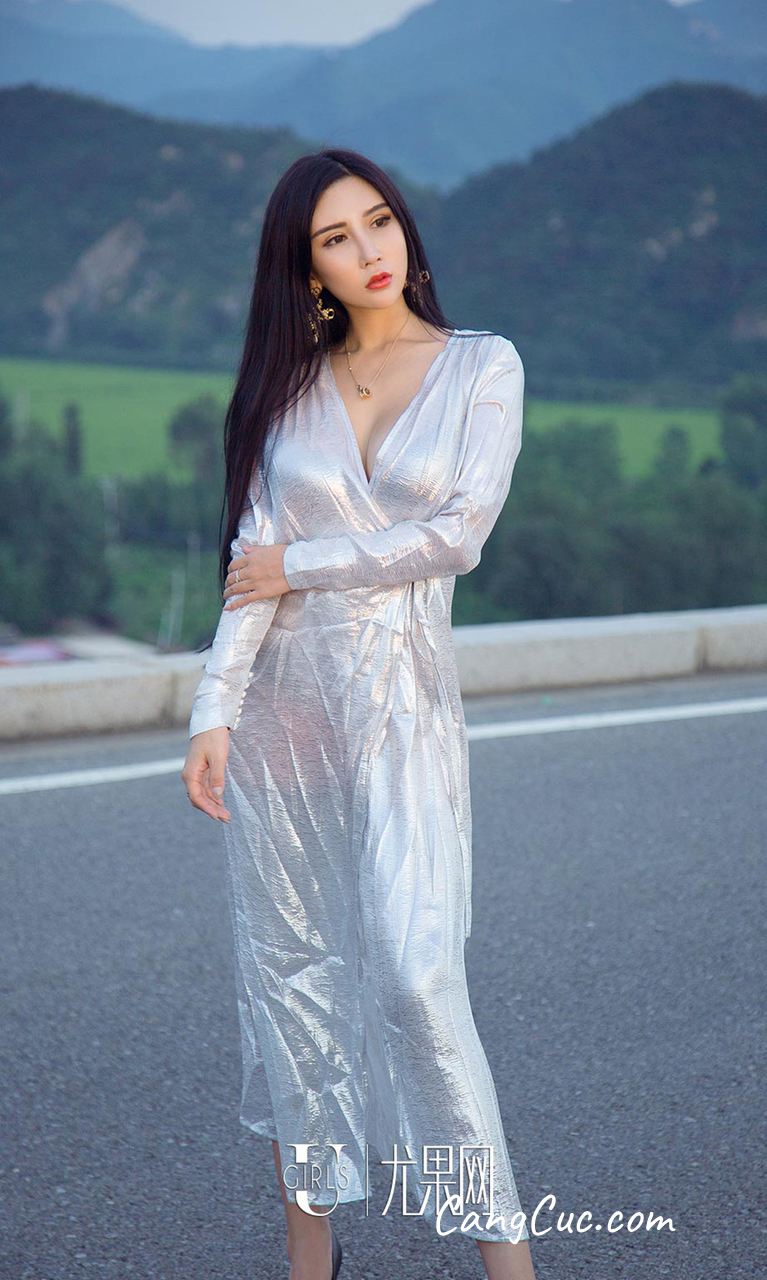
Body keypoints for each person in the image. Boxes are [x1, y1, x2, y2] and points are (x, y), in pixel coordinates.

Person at [181, 148, 537, 1280]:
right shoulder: (287, 394)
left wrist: (306, 561)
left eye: (378, 220)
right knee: (294, 983)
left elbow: (457, 535)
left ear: (404, 230)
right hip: (283, 728)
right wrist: (212, 710)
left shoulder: (480, 364)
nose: (368, 249)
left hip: (403, 719)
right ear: (309, 271)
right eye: (335, 238)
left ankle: (508, 1262)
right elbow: (250, 565)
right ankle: (310, 1257)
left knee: (417, 979)